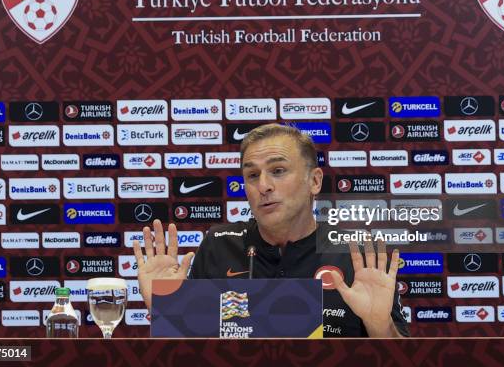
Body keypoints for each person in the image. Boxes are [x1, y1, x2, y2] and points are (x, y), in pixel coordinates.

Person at [133, 123, 409, 337]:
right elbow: (190, 353)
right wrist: (164, 309)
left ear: (314, 181)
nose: (263, 186)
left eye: (278, 170)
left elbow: (404, 359)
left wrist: (380, 327)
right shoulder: (218, 245)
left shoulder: (356, 253)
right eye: (252, 175)